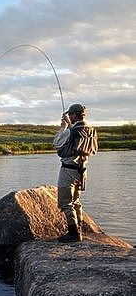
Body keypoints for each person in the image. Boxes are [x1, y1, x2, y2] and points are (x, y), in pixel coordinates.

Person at [53, 103, 96, 243]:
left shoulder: (70, 131)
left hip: (68, 169)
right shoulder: (89, 129)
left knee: (66, 202)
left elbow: (57, 143)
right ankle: (81, 229)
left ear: (73, 115)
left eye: (70, 115)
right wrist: (69, 126)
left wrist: (63, 126)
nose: (68, 117)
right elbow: (78, 139)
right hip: (82, 170)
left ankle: (73, 233)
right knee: (76, 201)